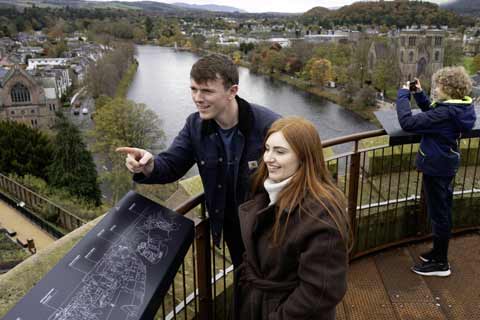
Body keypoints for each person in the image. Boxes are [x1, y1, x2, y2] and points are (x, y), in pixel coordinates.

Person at [117, 54, 280, 267]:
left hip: (269, 226)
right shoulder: (195, 126)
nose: (197, 98)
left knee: (274, 279)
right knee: (243, 279)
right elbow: (172, 164)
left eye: (207, 91)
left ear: (232, 91)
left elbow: (299, 174)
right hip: (231, 226)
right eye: (194, 89)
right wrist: (148, 165)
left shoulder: (269, 126)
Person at [234, 117, 350, 320]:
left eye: (280, 152)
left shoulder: (321, 215)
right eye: (267, 148)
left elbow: (320, 292)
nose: (268, 158)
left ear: (304, 157)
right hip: (257, 302)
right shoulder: (267, 189)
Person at [396, 67, 476, 277]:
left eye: (438, 86)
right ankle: (437, 253)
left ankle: (441, 264)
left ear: (448, 89)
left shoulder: (446, 113)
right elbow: (433, 114)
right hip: (445, 164)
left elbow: (407, 122)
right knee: (441, 210)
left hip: (437, 167)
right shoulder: (459, 109)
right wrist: (419, 94)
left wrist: (403, 94)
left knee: (439, 214)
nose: (435, 89)